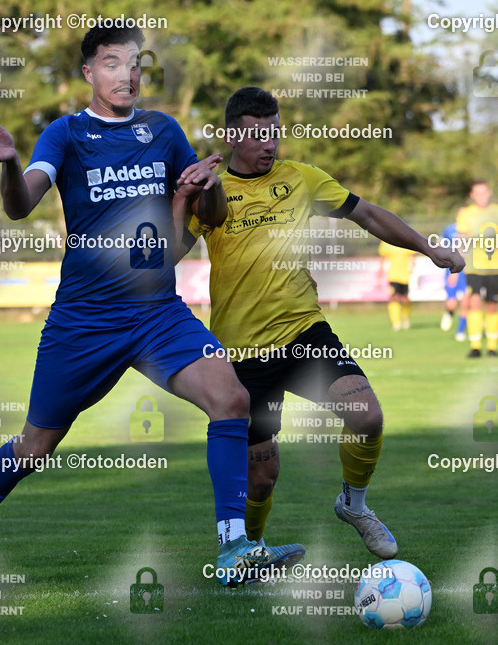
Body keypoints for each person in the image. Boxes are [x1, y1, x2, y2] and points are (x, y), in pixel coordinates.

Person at [0, 27, 304, 591]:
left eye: (135, 64)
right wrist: (10, 164)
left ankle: (234, 547)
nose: (127, 75)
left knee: (232, 399)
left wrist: (202, 185)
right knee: (36, 446)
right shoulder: (65, 134)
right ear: (89, 73)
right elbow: (20, 205)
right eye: (112, 64)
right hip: (84, 322)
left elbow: (208, 211)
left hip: (157, 311)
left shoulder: (162, 131)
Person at [174, 87, 463, 558]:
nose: (270, 144)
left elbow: (367, 214)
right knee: (262, 478)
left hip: (305, 333)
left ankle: (353, 503)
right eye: (258, 135)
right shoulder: (212, 193)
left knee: (367, 416)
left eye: (275, 133)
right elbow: (167, 253)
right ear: (231, 137)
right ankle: (251, 551)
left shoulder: (302, 179)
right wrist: (181, 198)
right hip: (244, 354)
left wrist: (429, 249)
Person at [456, 180, 498, 357]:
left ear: (490, 193)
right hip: (473, 266)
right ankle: (475, 346)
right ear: (472, 195)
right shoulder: (466, 214)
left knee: (493, 303)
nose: (481, 196)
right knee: (474, 302)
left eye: (484, 192)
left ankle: (493, 347)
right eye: (477, 193)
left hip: (494, 265)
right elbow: (461, 238)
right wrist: (458, 259)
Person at [439, 221, 468, 341]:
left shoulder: (475, 228)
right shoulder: (449, 229)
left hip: (469, 270)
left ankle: (460, 331)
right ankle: (449, 313)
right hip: (452, 268)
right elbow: (440, 244)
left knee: (467, 301)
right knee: (452, 304)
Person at [378, 240, 416, 330]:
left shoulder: (405, 240)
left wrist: (412, 268)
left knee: (405, 299)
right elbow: (382, 259)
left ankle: (405, 317)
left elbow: (413, 257)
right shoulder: (385, 241)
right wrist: (379, 275)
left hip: (405, 276)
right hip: (393, 276)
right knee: (394, 297)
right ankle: (396, 323)